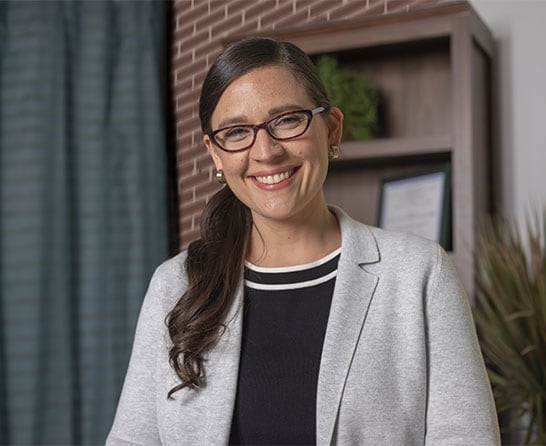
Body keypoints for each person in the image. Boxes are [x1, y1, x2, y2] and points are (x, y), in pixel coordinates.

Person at [106, 37, 500, 445]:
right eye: (237, 131)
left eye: (287, 120)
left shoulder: (419, 273)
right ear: (216, 154)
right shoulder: (176, 285)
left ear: (331, 129)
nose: (266, 151)